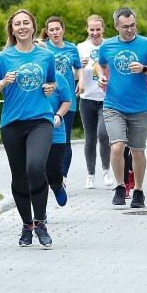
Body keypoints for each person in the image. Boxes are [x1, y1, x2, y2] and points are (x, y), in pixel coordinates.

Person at [0, 9, 59, 248]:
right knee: (19, 175)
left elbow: (52, 82)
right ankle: (27, 225)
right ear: (12, 30)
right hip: (12, 124)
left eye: (26, 23)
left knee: (35, 166)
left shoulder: (45, 56)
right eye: (18, 24)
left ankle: (41, 221)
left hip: (40, 121)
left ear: (34, 27)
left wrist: (50, 88)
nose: (22, 27)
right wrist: (3, 82)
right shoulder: (2, 58)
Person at [98, 7, 147, 208]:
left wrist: (144, 69)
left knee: (137, 151)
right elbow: (100, 64)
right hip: (113, 105)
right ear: (117, 26)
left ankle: (139, 191)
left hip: (139, 106)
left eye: (133, 25)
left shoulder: (146, 44)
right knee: (117, 146)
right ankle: (119, 186)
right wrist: (101, 75)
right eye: (125, 27)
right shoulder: (107, 46)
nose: (130, 30)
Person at [41, 16, 84, 186]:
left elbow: (78, 66)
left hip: (67, 100)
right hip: (48, 100)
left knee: (64, 139)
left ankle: (62, 176)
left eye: (57, 29)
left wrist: (81, 81)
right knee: (46, 138)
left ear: (63, 30)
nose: (54, 32)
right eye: (51, 29)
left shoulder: (72, 48)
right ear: (47, 32)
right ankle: (46, 173)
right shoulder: (44, 48)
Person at [76, 15, 114, 189]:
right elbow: (75, 75)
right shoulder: (81, 47)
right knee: (90, 139)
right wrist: (80, 67)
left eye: (98, 29)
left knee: (104, 135)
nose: (95, 32)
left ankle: (106, 170)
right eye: (92, 29)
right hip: (87, 99)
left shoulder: (109, 45)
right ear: (87, 29)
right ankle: (91, 174)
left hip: (106, 98)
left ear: (103, 29)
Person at [45, 75, 73, 206]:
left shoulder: (58, 77)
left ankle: (57, 185)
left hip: (55, 132)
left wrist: (58, 115)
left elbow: (67, 100)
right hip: (31, 130)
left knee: (53, 170)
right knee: (36, 174)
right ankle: (40, 213)